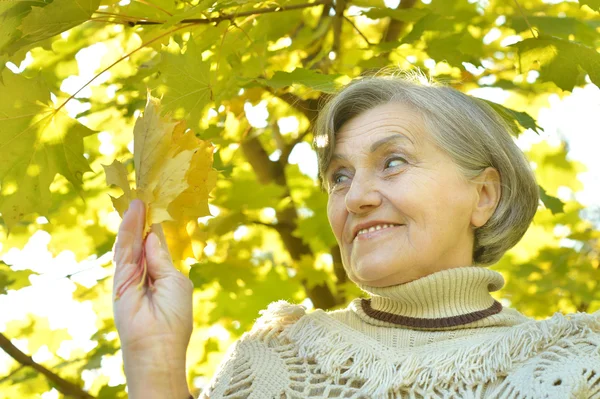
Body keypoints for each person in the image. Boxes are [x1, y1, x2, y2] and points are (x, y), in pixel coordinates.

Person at [112, 71, 600, 399]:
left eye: (393, 162)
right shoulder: (274, 358)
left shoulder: (575, 363)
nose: (355, 197)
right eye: (339, 176)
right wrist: (153, 355)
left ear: (484, 196)